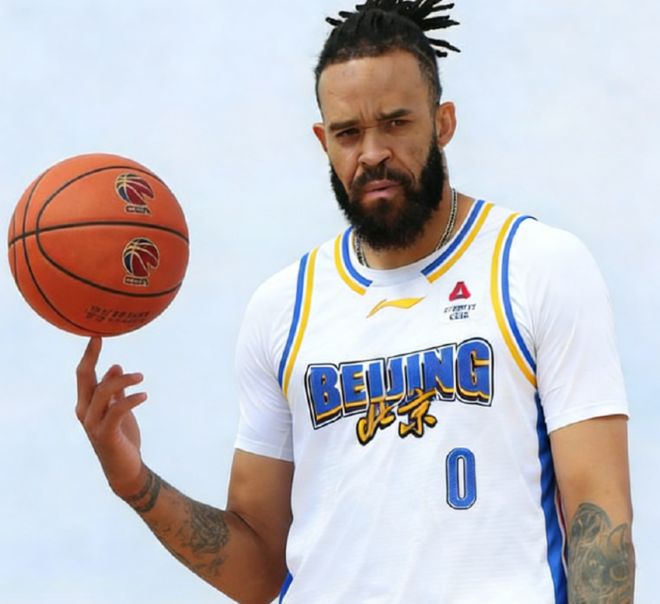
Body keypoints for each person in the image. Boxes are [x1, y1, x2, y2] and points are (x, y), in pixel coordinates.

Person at [75, 1, 635, 602]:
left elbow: (601, 524)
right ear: (324, 141)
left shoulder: (537, 265)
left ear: (443, 122)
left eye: (396, 123)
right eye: (348, 133)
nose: (372, 153)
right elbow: (259, 569)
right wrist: (134, 481)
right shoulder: (283, 307)